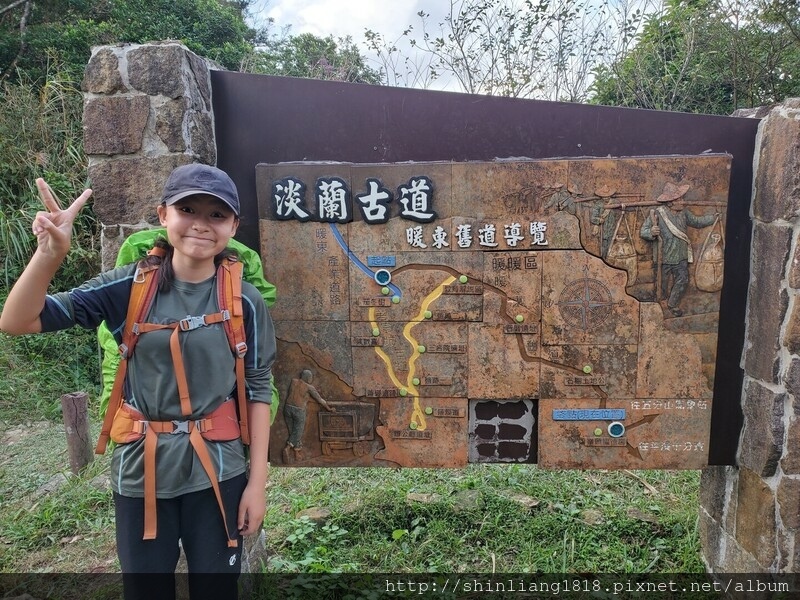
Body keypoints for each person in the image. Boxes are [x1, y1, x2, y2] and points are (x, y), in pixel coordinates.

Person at [0, 164, 276, 600]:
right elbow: (17, 321)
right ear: (163, 214)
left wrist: (256, 485)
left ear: (233, 226)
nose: (201, 224)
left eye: (216, 215)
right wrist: (49, 255)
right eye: (188, 208)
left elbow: (258, 385)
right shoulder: (128, 286)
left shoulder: (244, 299)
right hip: (141, 472)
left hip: (221, 471)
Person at [639, 182, 717, 317]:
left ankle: (673, 304)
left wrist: (713, 218)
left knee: (683, 280)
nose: (682, 201)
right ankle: (658, 304)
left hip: (681, 256)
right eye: (679, 199)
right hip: (664, 256)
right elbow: (643, 231)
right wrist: (651, 231)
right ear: (670, 202)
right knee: (661, 284)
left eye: (681, 198)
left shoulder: (684, 213)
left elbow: (697, 222)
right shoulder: (658, 213)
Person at [282, 369, 333, 463]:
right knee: (298, 432)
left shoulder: (293, 381)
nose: (311, 379)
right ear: (307, 377)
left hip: (287, 408)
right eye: (310, 377)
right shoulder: (309, 387)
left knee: (293, 432)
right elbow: (320, 400)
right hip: (298, 411)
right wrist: (329, 408)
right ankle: (287, 448)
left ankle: (297, 454)